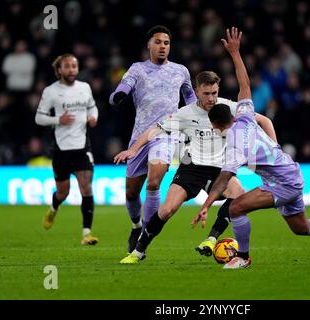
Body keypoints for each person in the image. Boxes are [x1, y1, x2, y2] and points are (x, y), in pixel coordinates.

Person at [192, 27, 310, 269]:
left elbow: (224, 178)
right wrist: (236, 53)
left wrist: (206, 205)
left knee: (236, 208)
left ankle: (243, 258)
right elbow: (244, 86)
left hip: (283, 183)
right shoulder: (245, 116)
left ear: (214, 124)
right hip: (289, 172)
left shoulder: (234, 146)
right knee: (301, 227)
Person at [114, 71, 276, 263]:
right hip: (191, 169)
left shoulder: (229, 107)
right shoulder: (185, 114)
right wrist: (133, 150)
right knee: (166, 210)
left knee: (239, 195)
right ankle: (138, 252)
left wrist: (274, 149)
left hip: (220, 170)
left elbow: (265, 120)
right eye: (207, 94)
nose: (211, 98)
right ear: (197, 91)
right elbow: (154, 129)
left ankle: (211, 239)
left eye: (214, 93)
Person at [109, 25, 197, 257]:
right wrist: (119, 95)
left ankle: (143, 239)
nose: (162, 46)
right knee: (131, 192)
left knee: (155, 180)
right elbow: (123, 87)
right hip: (140, 135)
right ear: (149, 45)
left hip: (168, 133)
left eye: (166, 43)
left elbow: (190, 97)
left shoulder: (181, 71)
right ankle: (136, 226)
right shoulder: (137, 69)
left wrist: (198, 115)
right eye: (158, 42)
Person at [35, 54, 99, 245]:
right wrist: (58, 120)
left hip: (82, 147)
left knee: (86, 187)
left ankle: (86, 234)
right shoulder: (51, 91)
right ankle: (53, 209)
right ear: (59, 70)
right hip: (62, 148)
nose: (71, 70)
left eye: (74, 66)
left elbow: (93, 108)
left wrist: (93, 117)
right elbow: (39, 118)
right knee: (63, 192)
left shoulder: (85, 87)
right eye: (67, 67)